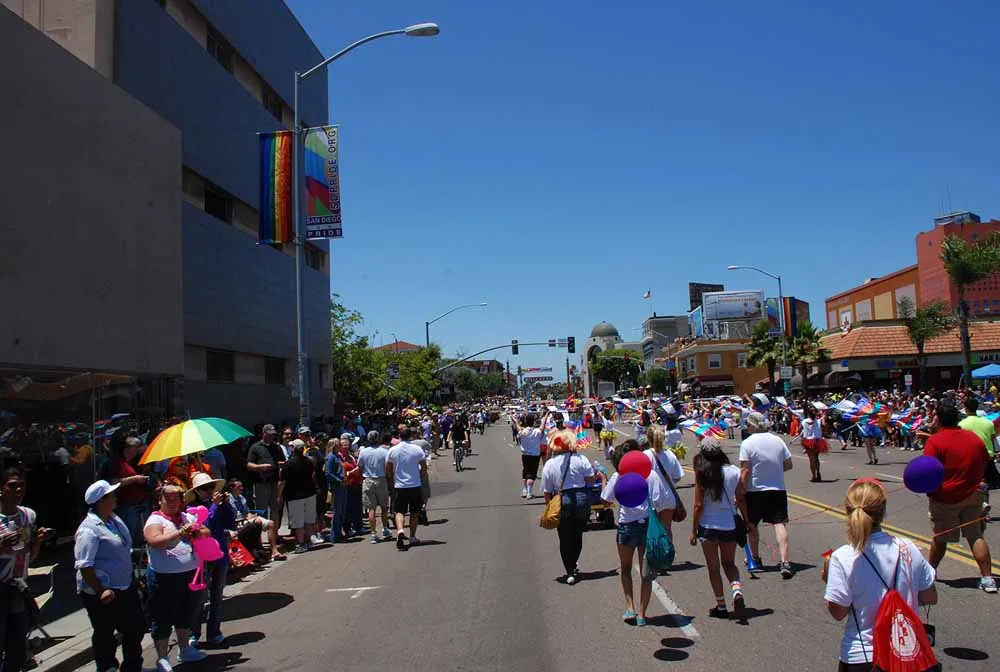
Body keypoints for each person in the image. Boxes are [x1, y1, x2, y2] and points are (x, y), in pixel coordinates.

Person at [823, 479, 938, 671]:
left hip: (864, 656)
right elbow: (930, 597)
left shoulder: (843, 557)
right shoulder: (908, 548)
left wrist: (829, 580)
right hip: (906, 653)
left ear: (847, 511)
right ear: (883, 512)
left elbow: (838, 613)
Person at [922, 400, 995, 593]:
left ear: (938, 420)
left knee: (940, 537)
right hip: (972, 494)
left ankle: (930, 572)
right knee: (975, 535)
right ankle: (988, 578)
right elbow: (985, 460)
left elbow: (928, 469)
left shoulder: (935, 441)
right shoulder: (973, 438)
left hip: (945, 496)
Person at [601, 439, 674, 626]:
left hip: (626, 526)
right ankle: (642, 613)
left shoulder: (619, 475)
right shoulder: (651, 475)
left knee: (625, 568)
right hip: (647, 525)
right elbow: (661, 502)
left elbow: (606, 500)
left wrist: (603, 481)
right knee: (646, 572)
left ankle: (630, 607)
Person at [74, 480, 144, 672]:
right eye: (111, 495)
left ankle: (132, 667)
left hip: (125, 586)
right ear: (101, 501)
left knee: (135, 627)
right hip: (103, 591)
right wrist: (100, 590)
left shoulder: (114, 519)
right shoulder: (88, 529)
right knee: (104, 633)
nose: (115, 498)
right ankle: (107, 667)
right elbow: (84, 565)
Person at [143, 483, 209, 670]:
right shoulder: (155, 520)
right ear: (160, 500)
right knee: (162, 616)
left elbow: (206, 532)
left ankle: (185, 648)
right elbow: (155, 541)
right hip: (164, 577)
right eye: (168, 498)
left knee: (185, 613)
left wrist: (197, 532)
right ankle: (162, 657)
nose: (172, 502)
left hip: (190, 574)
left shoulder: (187, 517)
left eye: (176, 498)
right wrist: (180, 532)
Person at [689, 437, 751, 621]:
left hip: (708, 526)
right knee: (729, 563)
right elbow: (741, 498)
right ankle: (736, 590)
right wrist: (747, 521)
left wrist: (693, 530)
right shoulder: (734, 471)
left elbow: (698, 505)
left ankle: (721, 605)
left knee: (713, 567)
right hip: (728, 524)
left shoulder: (702, 473)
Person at [1, 467, 50, 672]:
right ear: (2, 488)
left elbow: (30, 555)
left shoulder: (28, 516)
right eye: (13, 485)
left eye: (21, 485)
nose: (18, 490)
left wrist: (37, 542)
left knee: (17, 644)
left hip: (18, 586)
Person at [739, 411, 794, 578]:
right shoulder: (778, 440)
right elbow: (788, 464)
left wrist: (740, 489)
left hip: (755, 489)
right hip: (777, 488)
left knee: (752, 524)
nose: (747, 427)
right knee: (779, 523)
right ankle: (784, 561)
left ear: (752, 425)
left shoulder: (747, 443)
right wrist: (774, 470)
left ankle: (755, 558)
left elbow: (745, 470)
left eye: (748, 424)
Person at [185, 472, 235, 647]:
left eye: (210, 487)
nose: (208, 491)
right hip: (202, 559)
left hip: (219, 555)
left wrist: (225, 505)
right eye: (204, 488)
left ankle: (214, 632)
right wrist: (214, 506)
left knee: (217, 596)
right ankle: (194, 633)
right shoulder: (191, 509)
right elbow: (206, 528)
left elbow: (230, 523)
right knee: (199, 598)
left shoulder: (218, 505)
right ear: (196, 491)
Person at [541, 429, 595, 585]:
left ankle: (569, 569)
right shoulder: (581, 459)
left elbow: (547, 491)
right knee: (578, 534)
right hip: (581, 498)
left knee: (564, 537)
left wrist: (549, 507)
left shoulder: (550, 464)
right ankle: (574, 561)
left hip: (562, 499)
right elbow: (590, 480)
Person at [102, 434, 151, 544]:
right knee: (127, 538)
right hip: (126, 506)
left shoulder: (128, 462)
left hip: (136, 506)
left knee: (137, 539)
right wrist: (134, 479)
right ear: (127, 448)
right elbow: (110, 482)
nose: (137, 452)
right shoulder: (114, 463)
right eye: (135, 449)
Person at [386, 427, 427, 550]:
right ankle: (412, 536)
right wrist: (420, 477)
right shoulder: (417, 449)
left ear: (399, 436)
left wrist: (392, 480)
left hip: (400, 486)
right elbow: (424, 467)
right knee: (414, 512)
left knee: (399, 511)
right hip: (414, 485)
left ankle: (400, 530)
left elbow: (388, 469)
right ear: (411, 436)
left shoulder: (393, 450)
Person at [226, 479, 285, 561]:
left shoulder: (241, 497)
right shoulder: (228, 499)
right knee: (257, 522)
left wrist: (251, 515)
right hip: (238, 522)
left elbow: (246, 511)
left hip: (246, 518)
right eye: (239, 487)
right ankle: (259, 548)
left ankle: (274, 551)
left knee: (271, 523)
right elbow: (233, 515)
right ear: (232, 488)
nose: (241, 488)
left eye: (242, 486)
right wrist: (247, 516)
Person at [959, 397, 997, 517]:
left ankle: (979, 506)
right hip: (988, 456)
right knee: (985, 483)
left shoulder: (962, 424)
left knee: (972, 483)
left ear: (966, 408)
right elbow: (992, 440)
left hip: (972, 456)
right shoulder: (988, 422)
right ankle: (985, 508)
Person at [279, 440, 318, 554]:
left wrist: (279, 495)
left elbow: (282, 482)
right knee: (309, 520)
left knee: (298, 522)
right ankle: (308, 541)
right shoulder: (309, 462)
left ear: (294, 449)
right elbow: (313, 476)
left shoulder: (288, 464)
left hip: (294, 497)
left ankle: (301, 544)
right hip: (310, 493)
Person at [644, 425, 683, 537]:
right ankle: (668, 547)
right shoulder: (670, 454)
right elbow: (678, 476)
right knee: (667, 529)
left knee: (652, 530)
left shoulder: (645, 455)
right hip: (668, 497)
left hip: (651, 498)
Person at [246, 425, 285, 524]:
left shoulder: (277, 447)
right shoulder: (255, 447)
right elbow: (249, 465)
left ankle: (274, 532)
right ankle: (261, 532)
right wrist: (260, 467)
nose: (271, 437)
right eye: (269, 434)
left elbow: (283, 460)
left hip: (274, 482)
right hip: (261, 483)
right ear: (263, 434)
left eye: (273, 435)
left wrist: (282, 464)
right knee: (262, 510)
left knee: (275, 509)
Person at [358, 432, 392, 543]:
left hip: (368, 480)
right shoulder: (384, 451)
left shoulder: (363, 452)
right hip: (381, 480)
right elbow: (388, 467)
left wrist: (362, 478)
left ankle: (373, 533)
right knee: (384, 507)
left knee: (371, 509)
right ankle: (385, 529)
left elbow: (360, 467)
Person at [513, 413, 544, 499]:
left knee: (525, 472)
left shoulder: (523, 432)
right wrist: (545, 418)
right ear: (533, 422)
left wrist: (515, 421)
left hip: (525, 455)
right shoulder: (537, 431)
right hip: (535, 455)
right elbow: (542, 426)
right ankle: (529, 493)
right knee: (532, 474)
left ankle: (524, 490)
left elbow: (518, 427)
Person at [324, 439, 347, 542]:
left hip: (342, 485)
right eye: (339, 444)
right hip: (336, 487)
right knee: (337, 511)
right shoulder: (331, 457)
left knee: (341, 510)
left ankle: (339, 532)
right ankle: (335, 535)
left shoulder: (338, 456)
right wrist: (338, 480)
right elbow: (328, 473)